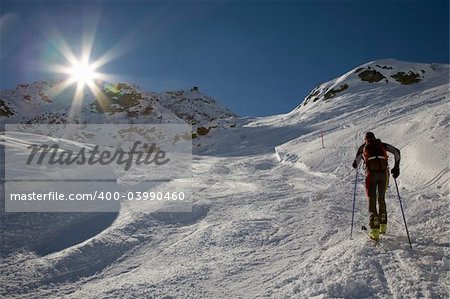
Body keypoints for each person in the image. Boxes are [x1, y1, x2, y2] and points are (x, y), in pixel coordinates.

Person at [352, 132, 401, 240]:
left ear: (366, 139)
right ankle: (383, 225)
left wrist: (356, 163)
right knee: (381, 198)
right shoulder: (382, 145)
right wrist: (396, 167)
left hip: (371, 174)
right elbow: (397, 152)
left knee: (372, 199)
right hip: (384, 174)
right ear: (374, 138)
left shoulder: (363, 147)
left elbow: (355, 163)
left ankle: (374, 230)